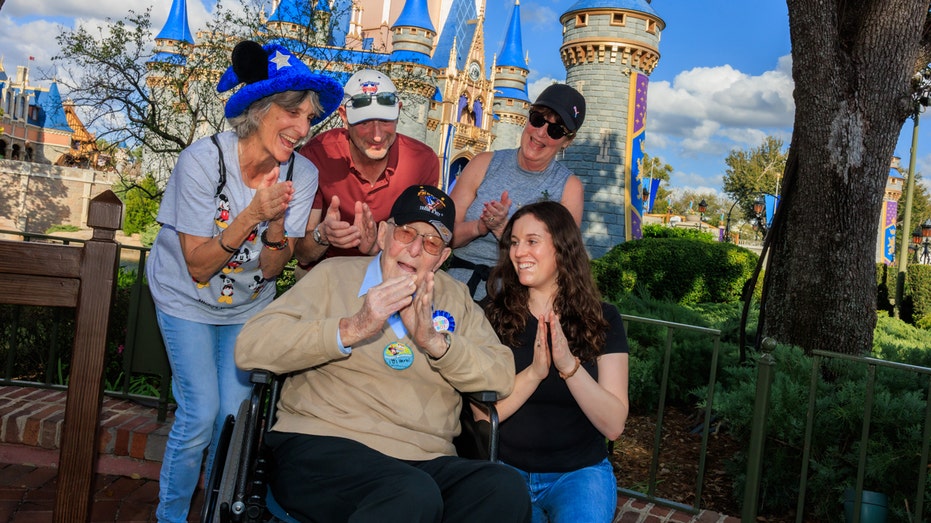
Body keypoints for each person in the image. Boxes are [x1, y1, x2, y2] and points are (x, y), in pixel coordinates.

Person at [236, 184, 531, 523]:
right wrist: (352, 327)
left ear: (443, 258)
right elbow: (250, 346)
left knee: (503, 488)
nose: (417, 249)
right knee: (410, 494)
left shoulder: (455, 300)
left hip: (425, 457)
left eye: (432, 242)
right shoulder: (334, 276)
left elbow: (500, 374)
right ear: (384, 234)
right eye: (407, 233)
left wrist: (437, 344)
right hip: (324, 443)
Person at [145, 40, 342, 522]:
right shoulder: (202, 162)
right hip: (185, 295)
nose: (302, 127)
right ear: (257, 110)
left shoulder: (303, 173)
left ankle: (216, 515)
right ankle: (169, 517)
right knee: (199, 415)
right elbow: (197, 265)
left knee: (233, 421)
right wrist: (252, 212)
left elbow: (276, 268)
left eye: (310, 117)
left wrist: (275, 225)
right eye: (292, 111)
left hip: (247, 304)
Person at [481, 201, 630, 523]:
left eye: (532, 241)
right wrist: (535, 373)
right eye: (514, 242)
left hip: (579, 474)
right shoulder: (491, 315)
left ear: (562, 249)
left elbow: (614, 425)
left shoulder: (603, 319)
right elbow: (480, 418)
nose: (519, 252)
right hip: (504, 469)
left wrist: (569, 368)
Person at [447, 83, 587, 300]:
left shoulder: (569, 187)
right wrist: (480, 226)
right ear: (527, 117)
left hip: (517, 300)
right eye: (538, 119)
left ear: (567, 141)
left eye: (556, 130)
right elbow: (444, 235)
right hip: (456, 291)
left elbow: (559, 261)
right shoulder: (483, 163)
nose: (541, 133)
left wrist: (506, 231)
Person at [294, 69, 440, 272]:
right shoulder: (319, 154)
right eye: (364, 122)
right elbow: (302, 254)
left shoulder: (423, 161)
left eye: (386, 121)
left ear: (398, 110)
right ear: (344, 116)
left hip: (389, 273)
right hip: (325, 273)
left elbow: (420, 250)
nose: (377, 136)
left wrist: (376, 248)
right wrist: (323, 235)